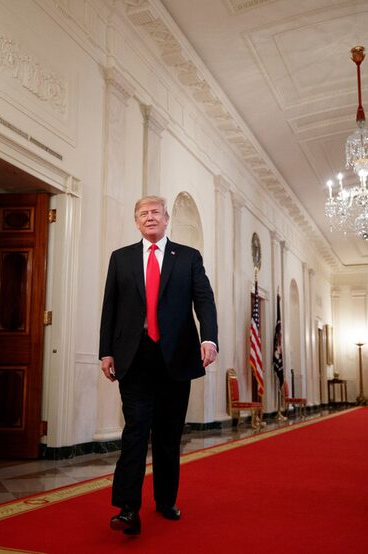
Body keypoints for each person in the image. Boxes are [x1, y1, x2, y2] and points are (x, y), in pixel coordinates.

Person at [99, 195, 218, 536]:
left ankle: (166, 500)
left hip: (177, 358)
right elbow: (111, 307)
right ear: (136, 222)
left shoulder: (189, 258)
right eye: (142, 214)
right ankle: (127, 508)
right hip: (134, 358)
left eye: (155, 212)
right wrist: (106, 351)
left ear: (167, 219)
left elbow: (204, 300)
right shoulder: (120, 259)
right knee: (135, 430)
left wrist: (208, 338)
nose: (149, 218)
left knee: (168, 434)